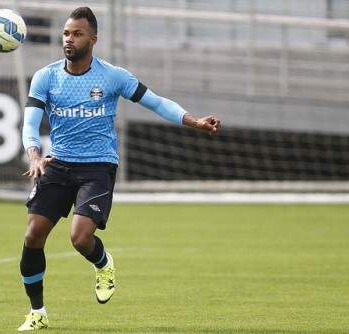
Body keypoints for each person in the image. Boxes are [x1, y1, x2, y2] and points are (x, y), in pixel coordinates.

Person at [17, 6, 221, 331]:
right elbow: (30, 122)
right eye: (66, 33)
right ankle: (37, 313)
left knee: (80, 238)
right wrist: (33, 154)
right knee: (32, 235)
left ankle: (103, 263)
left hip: (97, 167)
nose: (69, 39)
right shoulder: (46, 76)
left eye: (77, 34)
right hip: (57, 164)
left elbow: (156, 101)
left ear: (93, 39)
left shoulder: (113, 77)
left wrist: (192, 120)